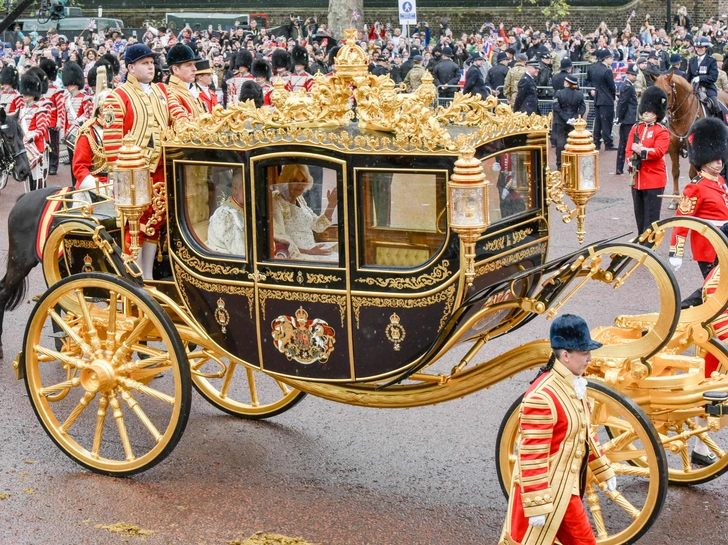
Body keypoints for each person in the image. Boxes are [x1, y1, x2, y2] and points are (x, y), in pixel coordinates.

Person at [498, 314, 616, 545]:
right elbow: (532, 457)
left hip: (565, 489)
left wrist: (603, 469)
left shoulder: (572, 384)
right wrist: (538, 504)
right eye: (584, 354)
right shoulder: (542, 397)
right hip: (550, 493)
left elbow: (585, 433)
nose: (590, 359)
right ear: (565, 355)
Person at [103, 43, 188, 279]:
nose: (151, 67)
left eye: (152, 63)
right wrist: (118, 179)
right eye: (144, 63)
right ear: (131, 67)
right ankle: (134, 276)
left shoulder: (161, 91)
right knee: (135, 225)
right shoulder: (117, 97)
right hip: (135, 172)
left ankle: (148, 274)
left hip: (162, 168)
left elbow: (177, 115)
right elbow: (112, 143)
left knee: (155, 222)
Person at [670, 117, 728, 279]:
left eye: (720, 158)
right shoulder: (695, 187)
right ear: (703, 160)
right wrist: (676, 251)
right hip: (708, 246)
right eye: (715, 159)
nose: (719, 162)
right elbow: (682, 221)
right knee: (716, 290)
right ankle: (684, 306)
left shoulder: (720, 182)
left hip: (723, 243)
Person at [625, 86, 670, 235]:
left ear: (656, 113)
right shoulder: (636, 128)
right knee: (640, 219)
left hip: (654, 180)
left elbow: (658, 152)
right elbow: (628, 149)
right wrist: (631, 161)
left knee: (650, 222)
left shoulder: (661, 131)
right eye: (645, 110)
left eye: (650, 111)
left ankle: (649, 251)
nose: (646, 113)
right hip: (637, 180)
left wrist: (642, 151)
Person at [271, 164, 338, 262]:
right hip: (298, 255)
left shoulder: (300, 199)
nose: (300, 186)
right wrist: (309, 252)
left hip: (313, 249)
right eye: (295, 181)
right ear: (286, 181)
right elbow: (282, 241)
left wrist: (331, 204)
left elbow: (317, 226)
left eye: (303, 181)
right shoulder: (277, 202)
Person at [17, 72, 50, 191]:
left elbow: (42, 128)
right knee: (29, 176)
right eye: (24, 93)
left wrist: (31, 137)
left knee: (38, 178)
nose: (25, 95)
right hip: (25, 146)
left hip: (36, 146)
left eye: (28, 93)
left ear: (34, 94)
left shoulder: (40, 110)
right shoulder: (22, 109)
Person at [552, 75, 586, 170]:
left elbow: (556, 108)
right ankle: (572, 162)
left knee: (560, 144)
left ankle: (560, 164)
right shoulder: (579, 94)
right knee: (573, 143)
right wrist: (575, 118)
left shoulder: (558, 93)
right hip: (573, 123)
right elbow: (583, 108)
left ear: (567, 83)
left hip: (561, 122)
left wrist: (566, 118)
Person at [166, 43, 205, 117]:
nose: (195, 69)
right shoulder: (171, 94)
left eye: (194, 64)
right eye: (189, 65)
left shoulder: (189, 90)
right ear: (175, 69)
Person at [589, 48, 617, 150]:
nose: (612, 60)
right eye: (611, 58)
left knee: (598, 122)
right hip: (606, 99)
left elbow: (590, 82)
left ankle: (596, 142)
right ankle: (608, 143)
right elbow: (612, 86)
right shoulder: (607, 71)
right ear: (607, 59)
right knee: (607, 122)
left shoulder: (593, 68)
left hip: (597, 98)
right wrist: (613, 96)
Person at [615, 63, 639, 176]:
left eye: (635, 75)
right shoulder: (628, 87)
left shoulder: (627, 86)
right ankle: (623, 167)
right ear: (628, 75)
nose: (635, 77)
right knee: (626, 144)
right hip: (628, 120)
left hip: (628, 119)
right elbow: (623, 104)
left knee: (625, 144)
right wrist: (620, 117)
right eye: (633, 75)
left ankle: (621, 167)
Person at [688, 37, 720, 117]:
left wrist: (700, 78)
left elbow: (713, 77)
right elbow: (688, 77)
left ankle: (720, 123)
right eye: (697, 47)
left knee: (715, 105)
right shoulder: (692, 60)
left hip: (707, 88)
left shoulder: (711, 60)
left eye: (701, 47)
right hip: (694, 88)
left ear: (706, 48)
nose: (699, 49)